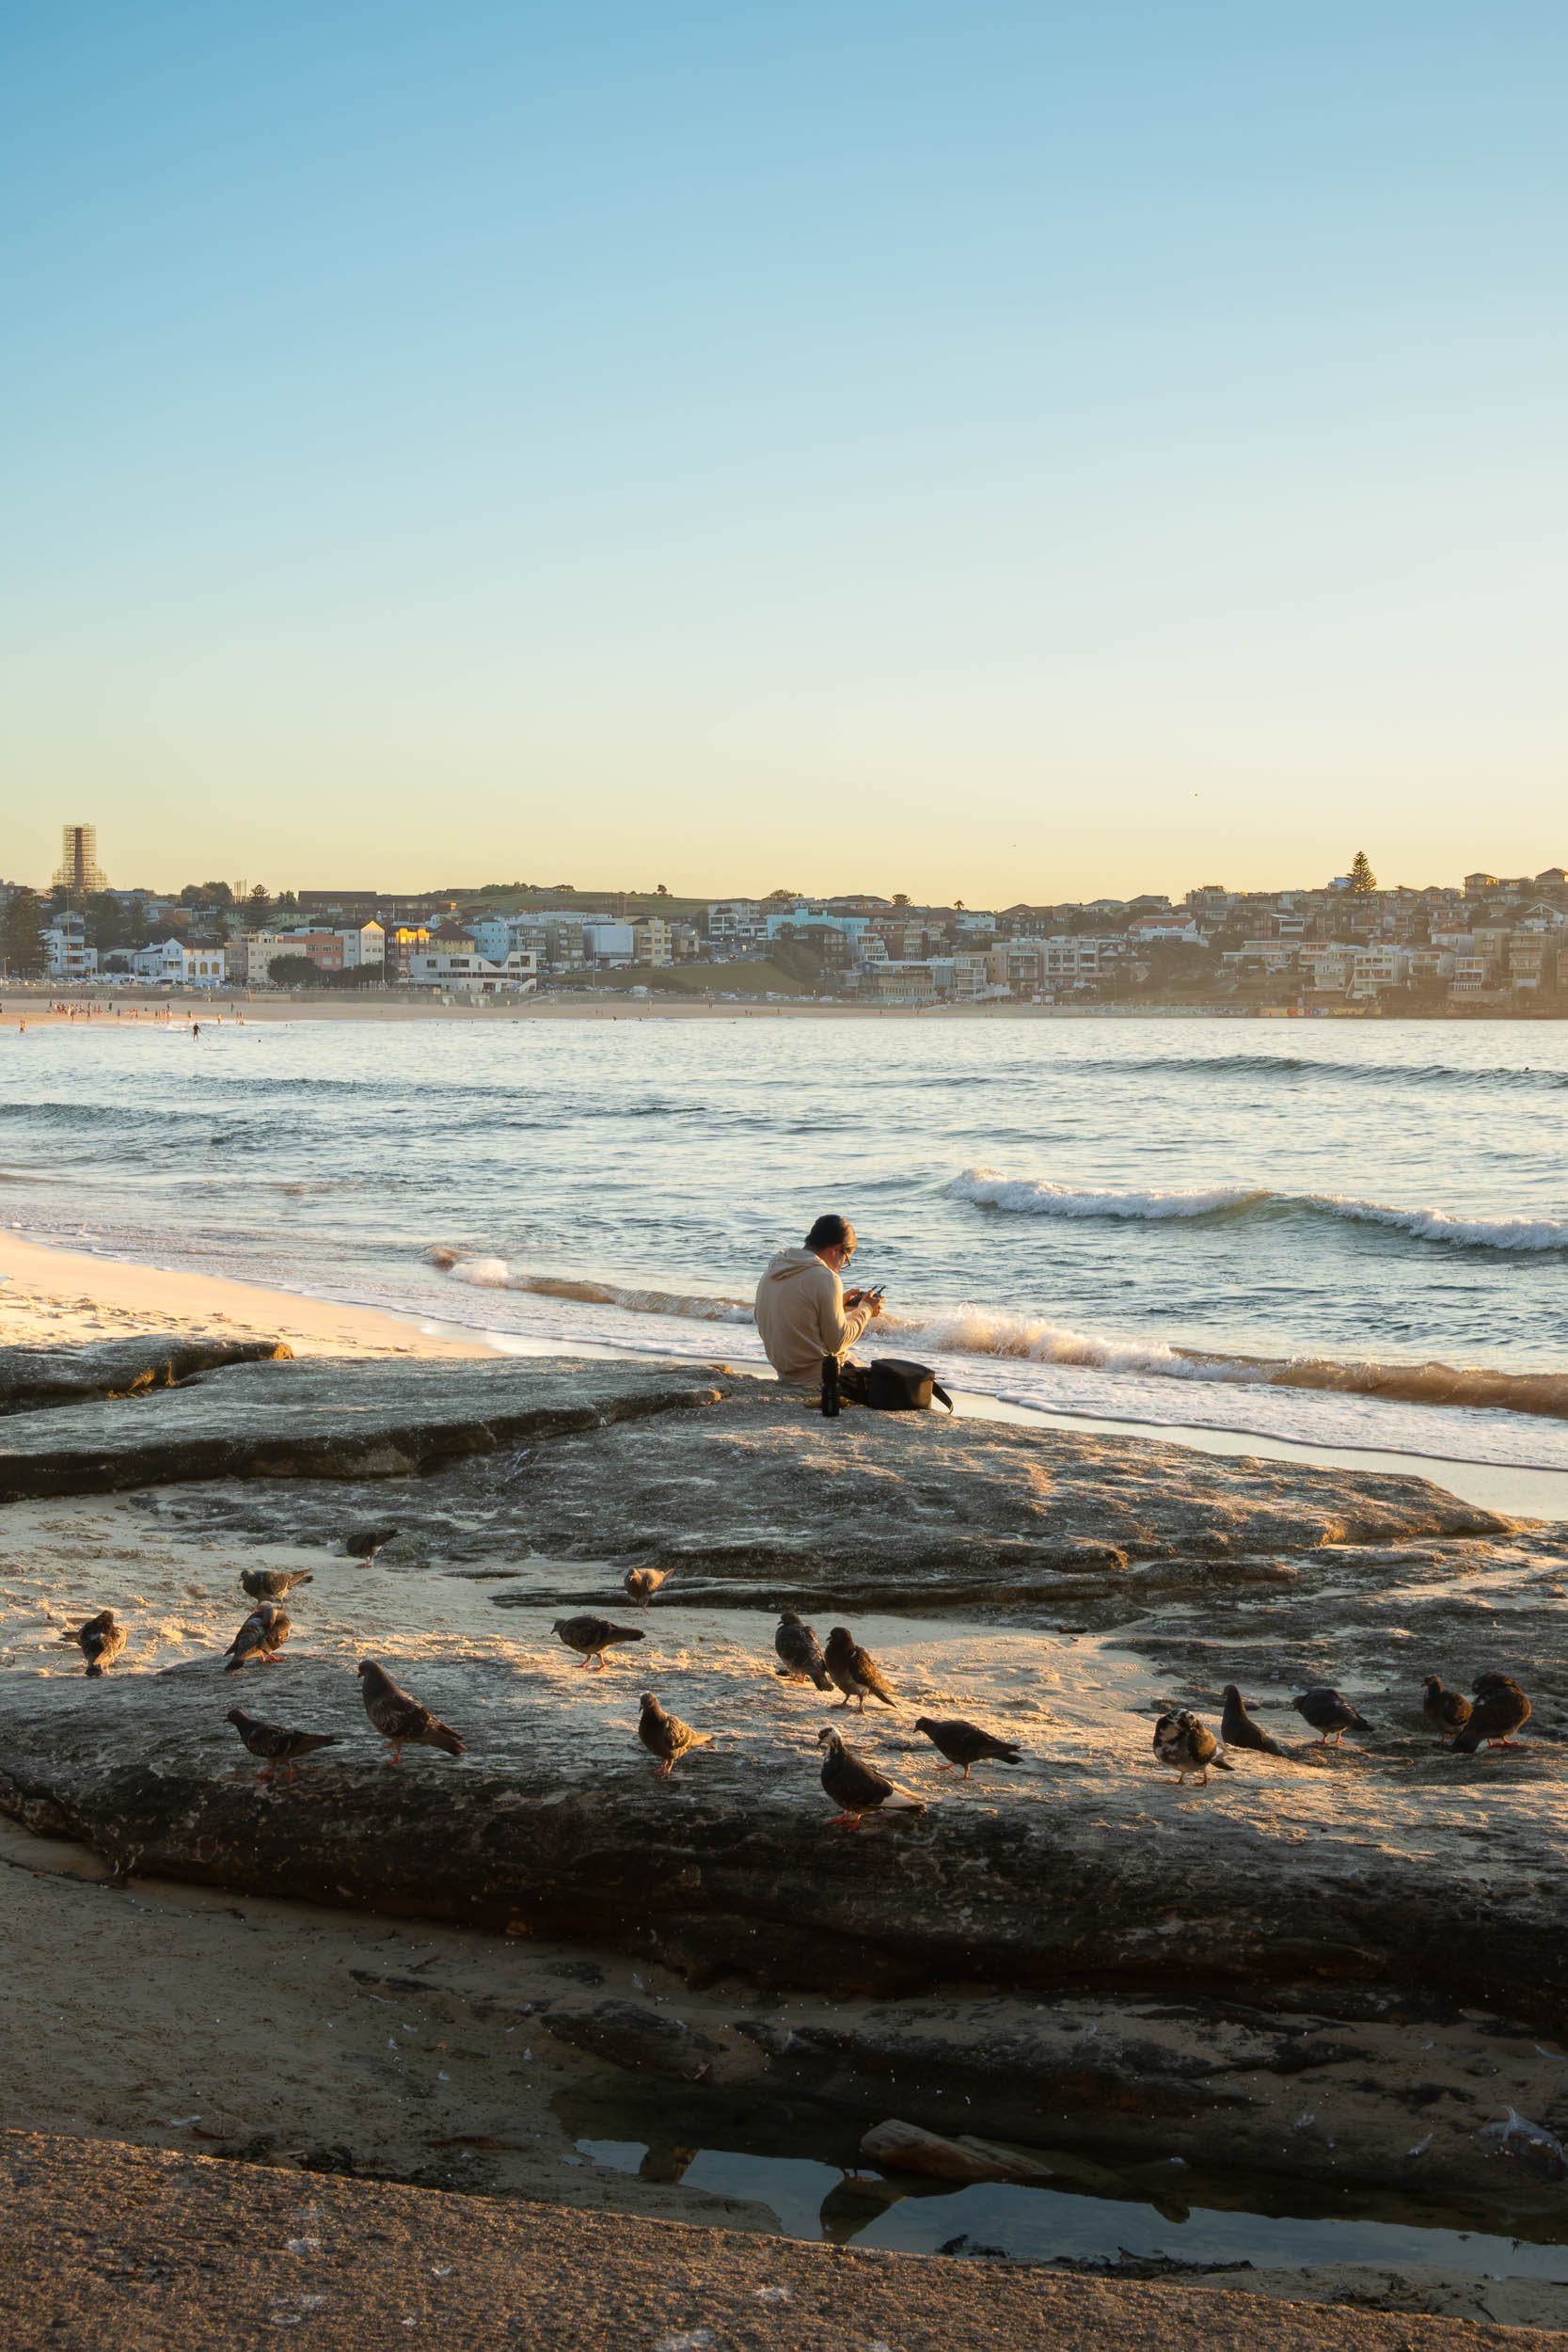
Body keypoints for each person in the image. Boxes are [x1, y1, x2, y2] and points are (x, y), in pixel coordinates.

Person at [754, 1214, 883, 1390]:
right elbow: (838, 1342)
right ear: (836, 1249)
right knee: (894, 1383)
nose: (841, 1267)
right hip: (819, 1378)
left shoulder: (775, 1267)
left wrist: (839, 1304)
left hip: (785, 1373)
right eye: (846, 1260)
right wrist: (866, 1309)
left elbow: (800, 1311)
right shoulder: (825, 1277)